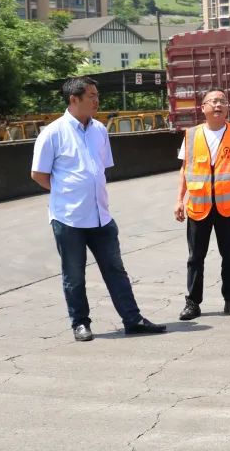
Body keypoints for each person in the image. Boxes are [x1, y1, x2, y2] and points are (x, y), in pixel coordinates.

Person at [30, 77, 166, 341]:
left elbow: (100, 168)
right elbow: (38, 174)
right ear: (74, 99)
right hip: (68, 218)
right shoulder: (53, 133)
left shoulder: (100, 130)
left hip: (101, 216)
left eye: (97, 95)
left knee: (116, 270)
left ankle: (133, 319)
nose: (97, 100)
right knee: (74, 275)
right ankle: (80, 323)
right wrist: (66, 192)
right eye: (91, 96)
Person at [175, 88, 230, 320]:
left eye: (222, 101)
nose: (218, 105)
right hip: (198, 206)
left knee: (229, 255)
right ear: (203, 108)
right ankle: (192, 303)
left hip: (227, 207)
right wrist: (179, 200)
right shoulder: (191, 134)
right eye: (213, 101)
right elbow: (185, 169)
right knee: (195, 257)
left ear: (227, 107)